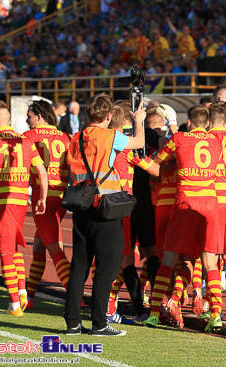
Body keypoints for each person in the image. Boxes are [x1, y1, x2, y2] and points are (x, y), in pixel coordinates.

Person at [142, 105, 226, 333]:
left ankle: (155, 314)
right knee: (210, 262)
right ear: (207, 124)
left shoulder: (179, 138)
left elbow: (158, 160)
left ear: (190, 123)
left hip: (185, 204)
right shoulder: (219, 140)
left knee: (169, 259)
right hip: (210, 206)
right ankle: (216, 315)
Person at [64, 93, 145, 336]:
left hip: (80, 206)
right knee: (107, 268)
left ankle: (72, 323)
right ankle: (99, 322)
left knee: (79, 267)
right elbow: (139, 142)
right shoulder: (111, 136)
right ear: (109, 116)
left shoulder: (75, 138)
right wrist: (138, 119)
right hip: (105, 209)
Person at [0, 101, 48, 316]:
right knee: (15, 247)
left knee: (6, 250)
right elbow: (41, 171)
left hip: (1, 201)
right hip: (21, 200)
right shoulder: (26, 140)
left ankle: (14, 305)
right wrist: (42, 197)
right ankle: (22, 291)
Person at [23, 100, 72, 310]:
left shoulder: (28, 137)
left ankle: (76, 297)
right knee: (39, 246)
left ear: (40, 116)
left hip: (42, 197)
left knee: (54, 248)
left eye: (30, 115)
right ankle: (31, 297)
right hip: (61, 196)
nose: (27, 119)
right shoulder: (64, 136)